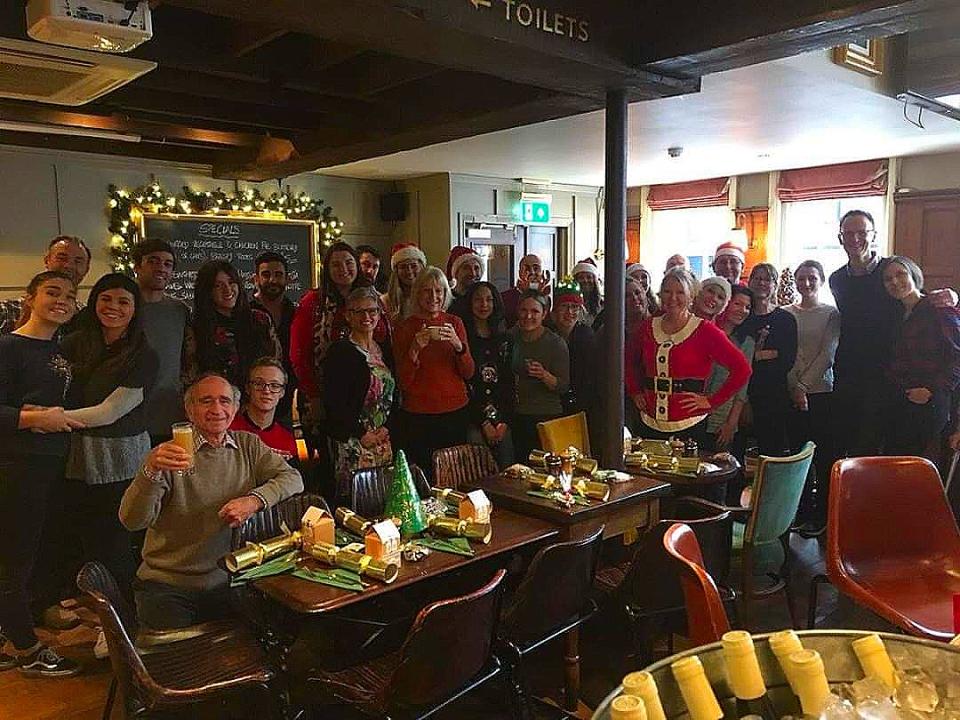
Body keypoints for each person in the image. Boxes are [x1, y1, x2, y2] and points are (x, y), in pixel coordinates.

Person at [119, 373, 303, 630]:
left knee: (262, 644)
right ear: (190, 410)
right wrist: (149, 471)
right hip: (169, 585)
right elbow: (132, 521)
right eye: (206, 401)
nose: (217, 409)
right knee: (170, 666)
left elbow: (293, 478)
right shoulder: (168, 455)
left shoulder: (248, 444)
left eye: (224, 401)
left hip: (228, 580)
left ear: (235, 408)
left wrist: (254, 500)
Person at [0, 271, 84, 677]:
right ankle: (26, 648)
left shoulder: (63, 349)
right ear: (29, 297)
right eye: (52, 293)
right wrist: (31, 419)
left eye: (69, 295)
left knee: (34, 555)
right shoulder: (8, 347)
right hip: (18, 466)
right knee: (14, 560)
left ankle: (11, 633)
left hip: (52, 466)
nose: (62, 301)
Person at [61, 273, 159, 617]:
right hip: (74, 456)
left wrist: (49, 418)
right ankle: (96, 610)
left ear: (135, 310)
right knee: (81, 535)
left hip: (121, 458)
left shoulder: (143, 355)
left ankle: (126, 618)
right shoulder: (72, 343)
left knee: (116, 540)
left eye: (123, 302)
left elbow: (110, 412)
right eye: (106, 299)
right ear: (94, 301)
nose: (113, 308)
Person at [828, 210, 957, 458]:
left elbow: (917, 297)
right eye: (848, 233)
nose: (855, 238)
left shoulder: (888, 271)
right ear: (840, 238)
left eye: (861, 232)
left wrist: (951, 297)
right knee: (848, 441)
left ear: (873, 235)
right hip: (849, 372)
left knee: (883, 447)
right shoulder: (837, 280)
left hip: (888, 374)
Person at [290, 242, 390, 482]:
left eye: (349, 262)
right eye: (335, 264)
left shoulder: (372, 298)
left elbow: (384, 338)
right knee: (329, 466)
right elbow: (299, 353)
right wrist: (313, 395)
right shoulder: (312, 302)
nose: (343, 269)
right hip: (326, 396)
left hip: (370, 401)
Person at [627, 268, 751, 447]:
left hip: (689, 426)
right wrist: (635, 390)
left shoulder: (706, 331)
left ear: (691, 296)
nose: (673, 298)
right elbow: (628, 359)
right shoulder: (648, 327)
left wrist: (710, 402)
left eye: (680, 292)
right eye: (667, 292)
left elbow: (742, 370)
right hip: (648, 423)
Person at [394, 266, 475, 475]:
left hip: (455, 411)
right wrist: (414, 349)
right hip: (419, 415)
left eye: (439, 291)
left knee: (454, 474)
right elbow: (403, 382)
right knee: (425, 475)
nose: (434, 296)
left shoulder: (454, 322)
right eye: (427, 291)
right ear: (417, 293)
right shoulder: (404, 327)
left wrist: (459, 346)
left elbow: (468, 373)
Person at [880, 256, 960, 460]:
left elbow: (956, 355)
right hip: (901, 398)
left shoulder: (939, 308)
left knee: (918, 465)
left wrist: (932, 390)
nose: (895, 282)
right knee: (896, 460)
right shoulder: (895, 315)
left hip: (930, 398)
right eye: (888, 279)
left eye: (901, 274)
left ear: (914, 274)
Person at [324, 287, 396, 501]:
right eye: (359, 312)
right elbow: (334, 403)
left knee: (384, 499)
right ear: (348, 315)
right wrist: (361, 434)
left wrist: (386, 429)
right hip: (353, 440)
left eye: (372, 311)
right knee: (357, 502)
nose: (367, 317)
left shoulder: (384, 349)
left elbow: (394, 395)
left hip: (383, 438)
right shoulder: (340, 352)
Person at [785, 261, 840, 530]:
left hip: (822, 393)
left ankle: (823, 516)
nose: (806, 283)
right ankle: (802, 510)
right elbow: (788, 353)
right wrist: (795, 385)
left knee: (823, 456)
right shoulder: (785, 312)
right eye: (802, 278)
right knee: (797, 455)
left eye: (812, 278)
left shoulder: (831, 313)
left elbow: (828, 354)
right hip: (791, 391)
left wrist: (803, 386)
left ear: (821, 280)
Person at [183, 260, 280, 390]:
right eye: (218, 285)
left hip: (258, 400)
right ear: (207, 291)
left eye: (231, 282)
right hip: (216, 402)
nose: (227, 290)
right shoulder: (196, 327)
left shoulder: (260, 320)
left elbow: (275, 365)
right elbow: (191, 375)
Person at [132, 239, 191, 444]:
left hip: (169, 416)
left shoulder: (180, 311)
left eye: (168, 264)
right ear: (137, 266)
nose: (161, 268)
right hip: (126, 416)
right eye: (153, 261)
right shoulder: (122, 307)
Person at [742, 263, 797, 456]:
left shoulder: (785, 319)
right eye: (757, 278)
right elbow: (737, 360)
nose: (761, 283)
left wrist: (754, 357)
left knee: (772, 453)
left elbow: (787, 360)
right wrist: (768, 354)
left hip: (773, 396)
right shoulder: (742, 317)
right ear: (750, 282)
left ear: (774, 284)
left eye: (767, 279)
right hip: (742, 395)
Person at [510, 291, 570, 461]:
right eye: (523, 310)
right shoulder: (511, 337)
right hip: (516, 414)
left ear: (544, 314)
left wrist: (544, 375)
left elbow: (564, 386)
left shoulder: (555, 343)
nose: (528, 316)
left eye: (535, 311)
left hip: (545, 416)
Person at [463, 281, 514, 467]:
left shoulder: (504, 338)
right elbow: (466, 383)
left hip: (501, 417)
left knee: (508, 471)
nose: (484, 305)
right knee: (478, 470)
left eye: (488, 300)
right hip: (473, 417)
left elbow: (508, 382)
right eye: (478, 300)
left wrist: (503, 421)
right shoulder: (464, 337)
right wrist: (484, 423)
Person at [1, 236, 91, 336]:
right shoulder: (7, 311)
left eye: (78, 261)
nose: (68, 266)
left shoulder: (86, 317)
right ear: (47, 261)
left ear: (87, 269)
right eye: (61, 258)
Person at [250, 251, 298, 426]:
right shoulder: (244, 314)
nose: (272, 280)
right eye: (266, 274)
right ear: (255, 279)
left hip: (285, 402)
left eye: (278, 275)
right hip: (251, 403)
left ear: (288, 279)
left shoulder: (296, 314)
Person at [706, 286, 755, 452]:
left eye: (747, 307)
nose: (743, 310)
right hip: (693, 411)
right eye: (737, 304)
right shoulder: (706, 331)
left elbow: (742, 389)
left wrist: (731, 424)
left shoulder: (746, 342)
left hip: (722, 416)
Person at [229, 357, 299, 468]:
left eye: (274, 385)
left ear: (282, 393)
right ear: (248, 388)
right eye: (258, 383)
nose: (266, 390)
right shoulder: (229, 430)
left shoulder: (287, 441)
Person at [548, 280, 596, 420]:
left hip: (581, 406)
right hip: (553, 404)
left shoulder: (587, 336)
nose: (569, 312)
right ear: (555, 310)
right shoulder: (547, 334)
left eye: (574, 307)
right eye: (564, 306)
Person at [502, 254, 551, 327]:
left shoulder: (546, 298)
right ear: (519, 273)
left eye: (536, 268)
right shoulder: (504, 297)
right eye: (527, 269)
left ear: (542, 272)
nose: (532, 272)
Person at [382, 243, 426, 324]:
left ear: (422, 267)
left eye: (413, 266)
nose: (409, 271)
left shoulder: (432, 297)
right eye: (403, 267)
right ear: (396, 272)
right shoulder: (385, 302)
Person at [446, 246, 484, 321]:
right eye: (466, 268)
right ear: (456, 273)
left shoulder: (485, 299)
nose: (473, 273)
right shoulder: (446, 299)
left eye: (476, 268)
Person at [573, 258, 603, 327]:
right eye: (581, 277)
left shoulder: (603, 305)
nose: (585, 280)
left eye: (589, 277)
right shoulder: (570, 304)